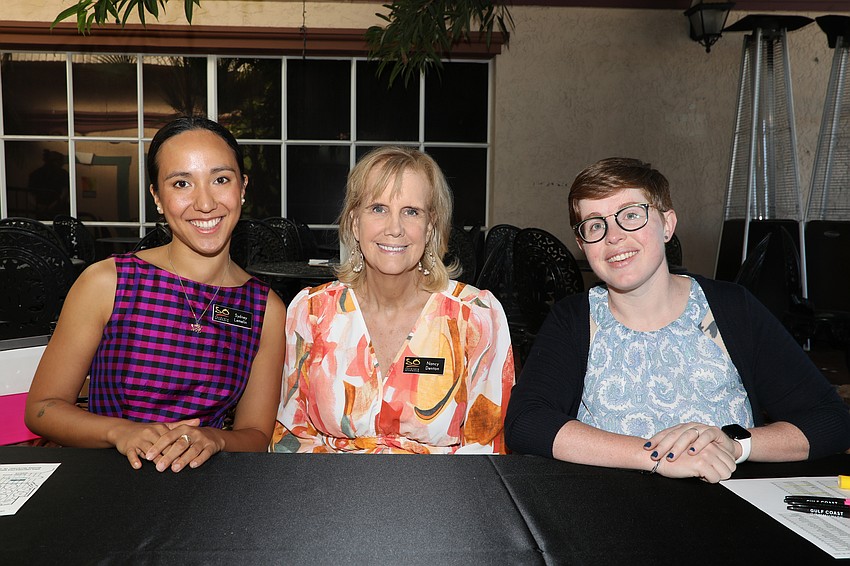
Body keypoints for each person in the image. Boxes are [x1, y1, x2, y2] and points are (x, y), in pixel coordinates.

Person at [505, 157, 850, 482]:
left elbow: (832, 420)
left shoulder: (731, 309)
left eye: (631, 215)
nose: (613, 236)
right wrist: (657, 457)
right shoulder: (573, 320)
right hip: (611, 512)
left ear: (667, 224)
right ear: (583, 244)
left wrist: (735, 445)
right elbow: (526, 422)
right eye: (596, 224)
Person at [25, 116, 286, 472]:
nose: (205, 203)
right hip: (107, 477)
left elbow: (255, 434)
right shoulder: (108, 282)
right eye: (182, 183)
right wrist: (120, 432)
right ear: (157, 198)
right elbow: (42, 408)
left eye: (221, 179)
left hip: (208, 483)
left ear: (242, 187)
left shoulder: (265, 308)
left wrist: (215, 439)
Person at [272, 146, 514, 454]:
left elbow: (487, 448)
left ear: (430, 226)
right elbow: (291, 438)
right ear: (355, 223)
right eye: (378, 208)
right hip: (329, 483)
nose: (394, 228)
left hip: (443, 484)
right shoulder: (310, 312)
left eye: (411, 211)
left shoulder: (476, 316)